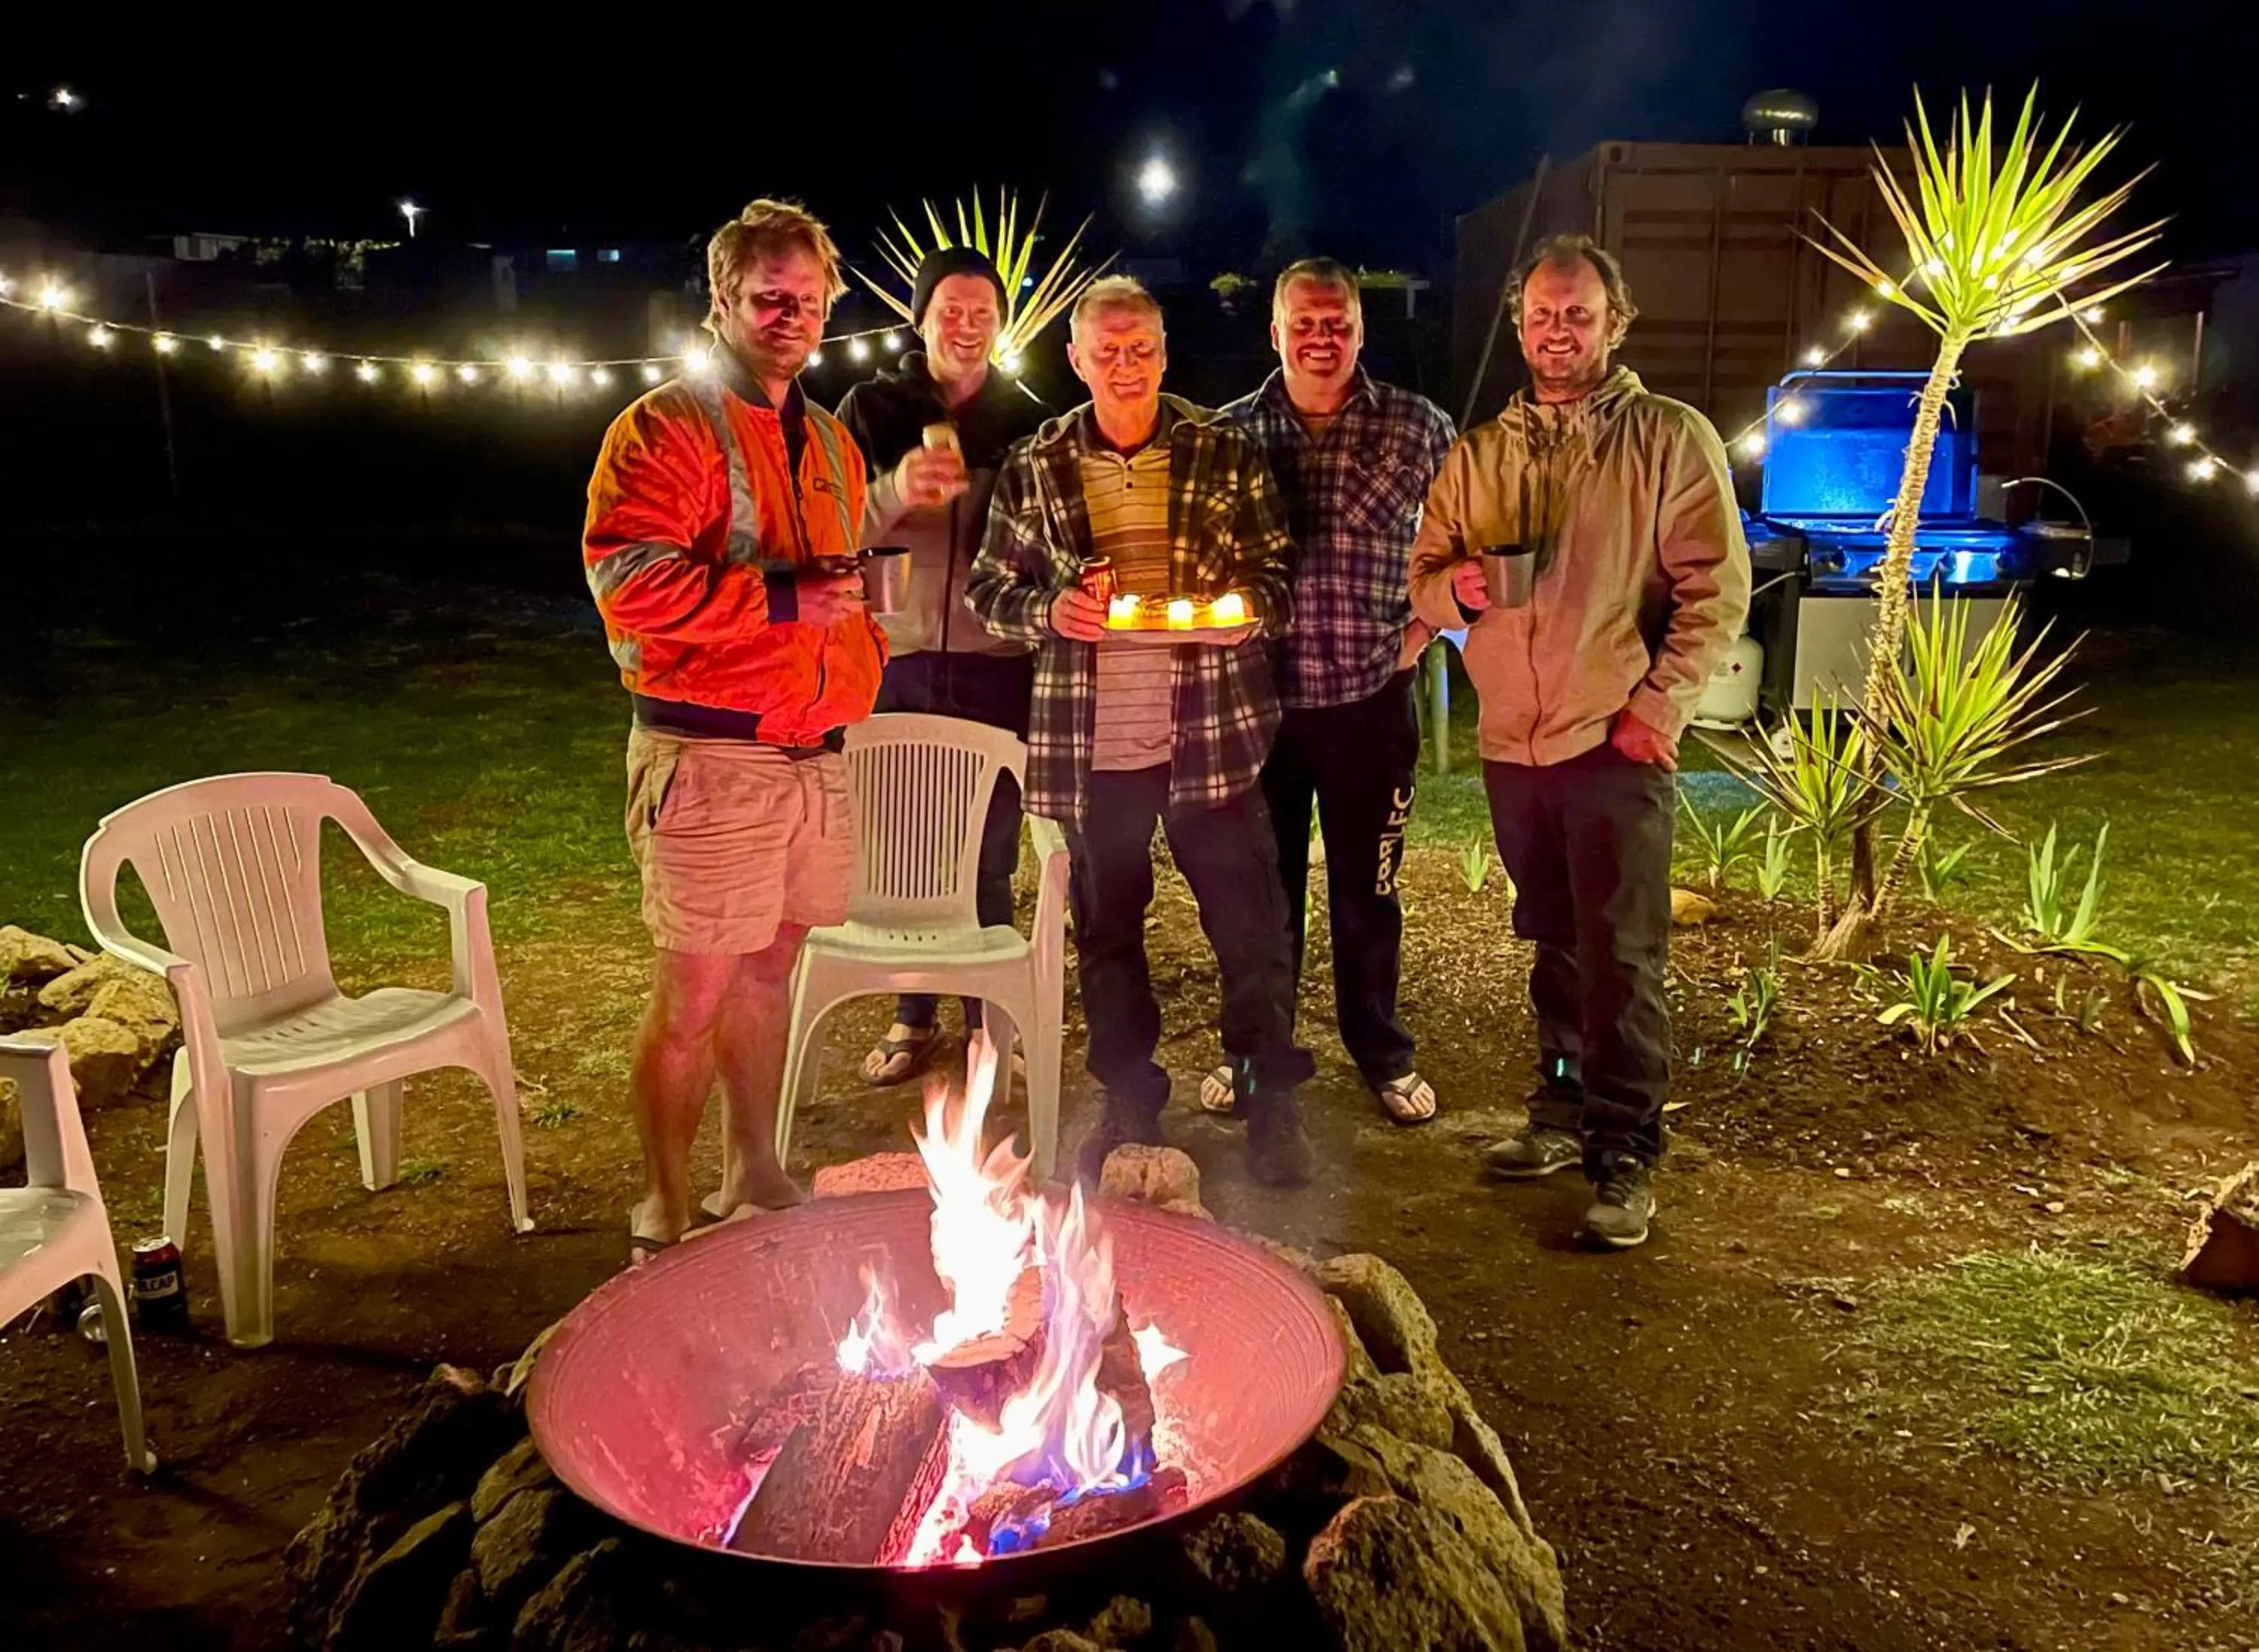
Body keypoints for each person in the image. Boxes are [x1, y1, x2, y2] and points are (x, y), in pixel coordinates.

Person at [1407, 233, 1749, 1249]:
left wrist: (1660, 706)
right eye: (1544, 315)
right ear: (1520, 323)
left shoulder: (1668, 439)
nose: (1560, 331)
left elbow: (1712, 590)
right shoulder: (1481, 453)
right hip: (1515, 743)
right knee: (1553, 939)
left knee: (1623, 955)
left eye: (1580, 314)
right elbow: (1426, 576)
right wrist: (1455, 591)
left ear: (1615, 322)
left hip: (1614, 737)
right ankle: (1558, 1110)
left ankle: (1626, 1147)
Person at [583, 199, 886, 1263]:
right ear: (722, 299)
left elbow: (841, 589)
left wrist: (855, 646)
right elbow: (627, 583)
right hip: (710, 756)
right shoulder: (663, 428)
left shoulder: (834, 442)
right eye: (769, 296)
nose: (791, 314)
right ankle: (662, 1206)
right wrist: (789, 602)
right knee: (697, 991)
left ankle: (751, 1167)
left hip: (813, 760)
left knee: (772, 971)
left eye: (808, 298)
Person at [966, 276, 1318, 1187]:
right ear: (1076, 360)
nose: (1126, 367)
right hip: (1095, 749)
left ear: (1165, 352)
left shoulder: (1220, 450)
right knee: (1109, 932)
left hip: (1210, 734)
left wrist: (1245, 616)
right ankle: (1129, 1101)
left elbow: (1277, 570)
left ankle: (1265, 1093)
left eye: (1143, 349)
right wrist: (1053, 611)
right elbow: (989, 593)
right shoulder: (1039, 462)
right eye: (1107, 352)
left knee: (1248, 929)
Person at [1218, 258, 1456, 1127]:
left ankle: (1381, 1049)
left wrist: (1423, 632)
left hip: (1370, 700)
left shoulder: (1420, 428)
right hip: (1259, 707)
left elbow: (1469, 546)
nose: (1322, 339)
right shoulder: (1229, 436)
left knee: (1371, 889)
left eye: (1338, 324)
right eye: (1305, 323)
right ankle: (1254, 1053)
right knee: (1261, 894)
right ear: (1274, 332)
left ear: (1360, 332)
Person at [835, 247, 1049, 1087]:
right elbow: (828, 526)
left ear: (1000, 324)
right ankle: (911, 1012)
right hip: (898, 656)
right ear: (920, 319)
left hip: (998, 662)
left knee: (990, 849)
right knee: (908, 848)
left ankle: (987, 1019)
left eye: (981, 313)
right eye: (948, 311)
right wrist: (893, 492)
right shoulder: (872, 405)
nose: (965, 326)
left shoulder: (1025, 416)